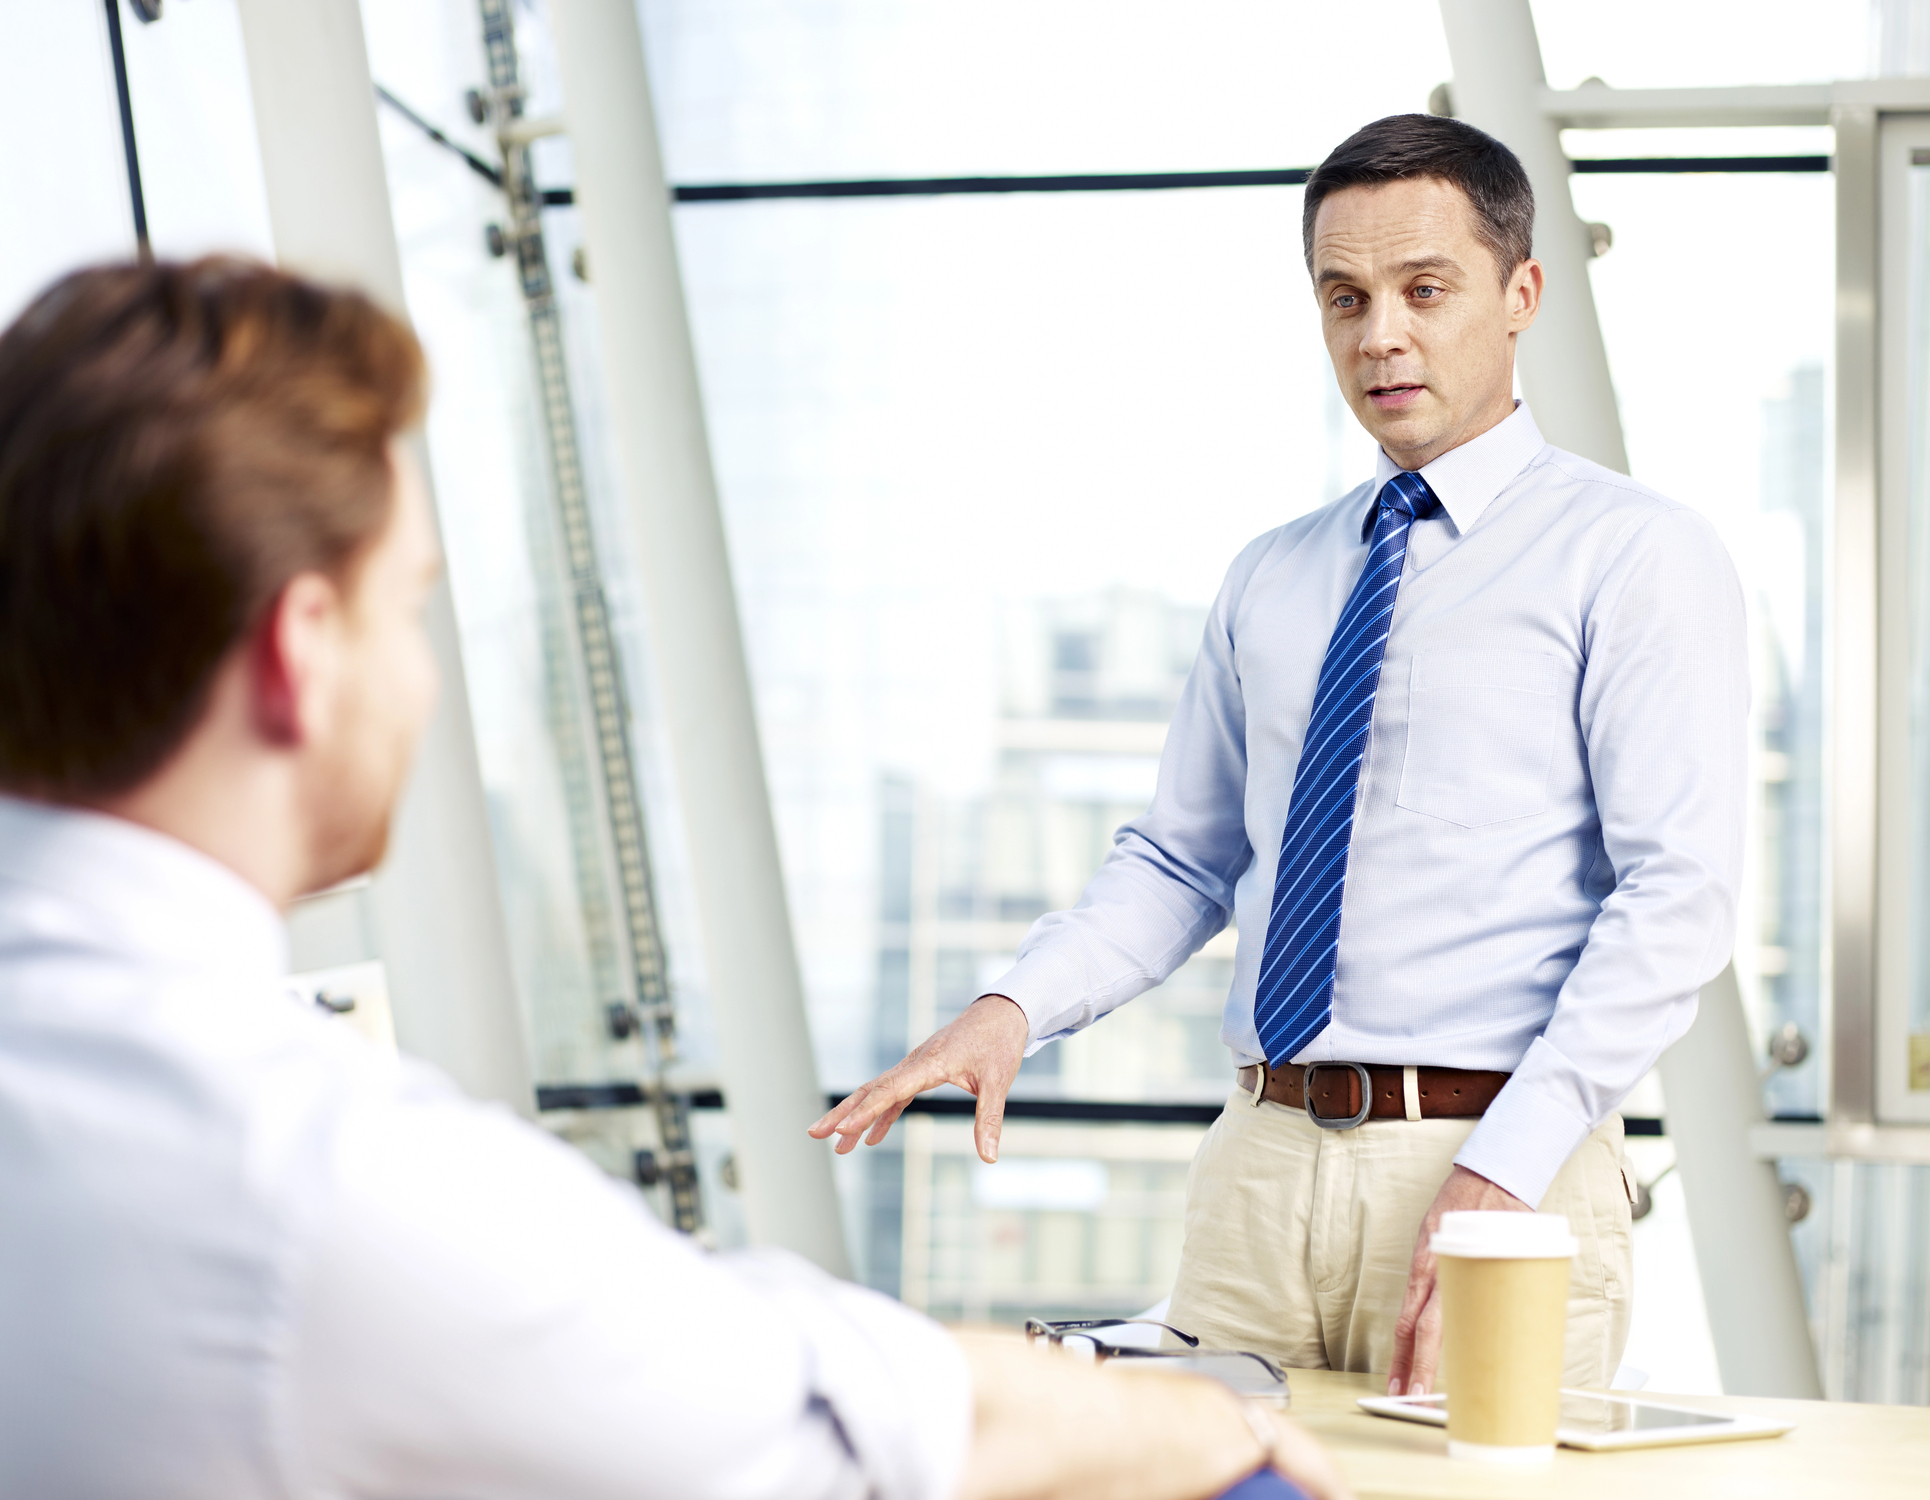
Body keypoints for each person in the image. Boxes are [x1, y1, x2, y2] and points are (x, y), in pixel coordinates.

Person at [0, 256, 1346, 1500]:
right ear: (303, 651)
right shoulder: (325, 1185)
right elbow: (876, 1438)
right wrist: (1223, 1438)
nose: (422, 676)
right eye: (406, 608)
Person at [814, 113, 1748, 1400]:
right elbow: (1183, 858)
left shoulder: (1634, 556)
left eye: (1425, 291)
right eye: (1344, 297)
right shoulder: (1274, 575)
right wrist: (1008, 1010)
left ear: (1520, 293)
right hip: (1257, 1167)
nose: (1380, 335)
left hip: (1494, 1163)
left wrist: (1501, 1169)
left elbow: (1675, 898)